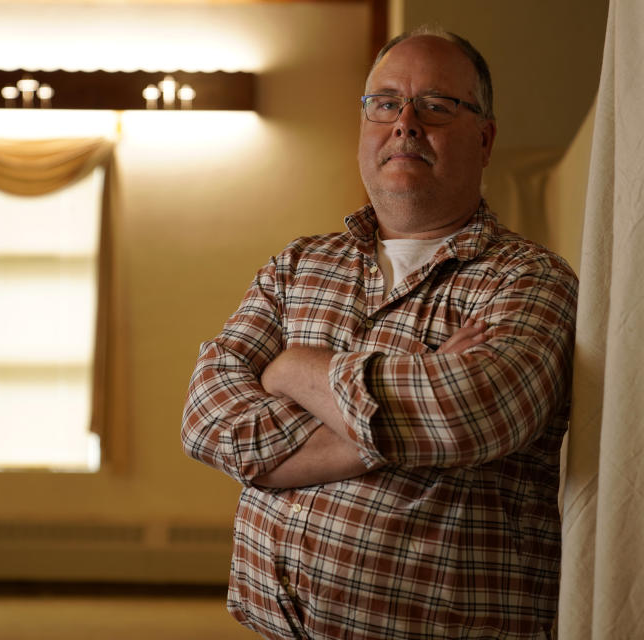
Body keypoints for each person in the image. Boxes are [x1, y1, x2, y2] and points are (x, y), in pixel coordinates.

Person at [182, 25, 577, 640]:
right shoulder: (298, 265)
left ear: (486, 137)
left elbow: (468, 412)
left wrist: (290, 369)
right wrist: (398, 415)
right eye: (385, 103)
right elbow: (210, 421)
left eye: (437, 105)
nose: (406, 122)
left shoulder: (531, 280)